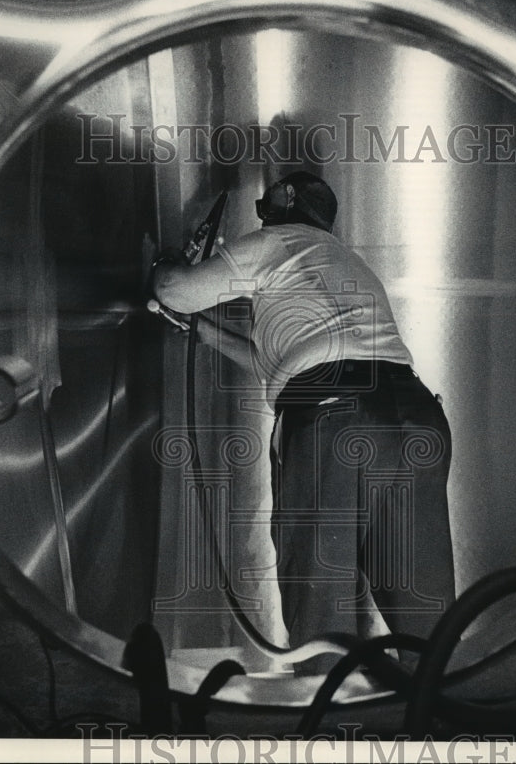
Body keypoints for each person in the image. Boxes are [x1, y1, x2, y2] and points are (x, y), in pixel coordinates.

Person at [152, 171, 454, 672]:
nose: (258, 205)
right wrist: (206, 335)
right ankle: (441, 724)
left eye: (267, 197)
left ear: (287, 196)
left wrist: (168, 267)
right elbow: (288, 361)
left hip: (334, 419)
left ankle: (329, 731)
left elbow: (174, 289)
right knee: (424, 609)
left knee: (318, 606)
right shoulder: (341, 261)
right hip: (415, 416)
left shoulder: (277, 239)